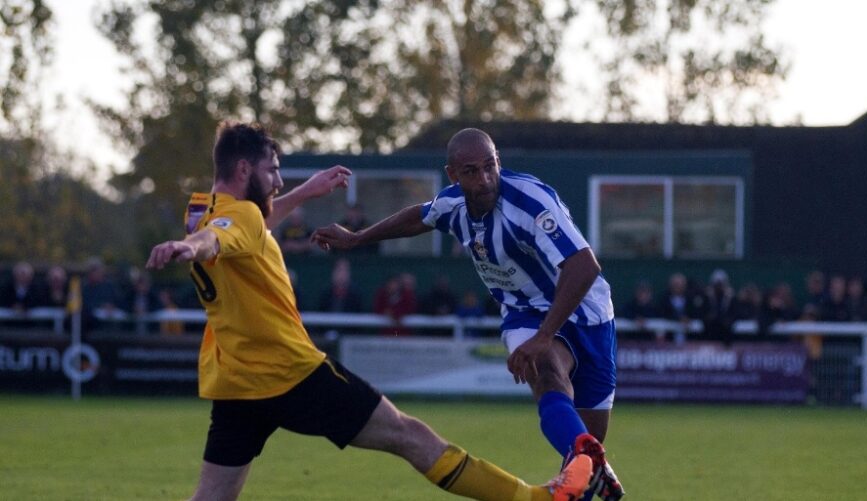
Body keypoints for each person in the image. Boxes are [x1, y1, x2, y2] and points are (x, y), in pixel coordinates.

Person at [144, 122, 593, 501]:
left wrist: (303, 194)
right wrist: (189, 248)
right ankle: (539, 499)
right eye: (273, 171)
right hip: (290, 373)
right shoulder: (231, 221)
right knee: (409, 436)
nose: (278, 181)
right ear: (245, 170)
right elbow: (223, 236)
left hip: (235, 382)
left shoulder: (203, 209)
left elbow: (236, 228)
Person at [312, 128, 625, 501]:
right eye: (472, 171)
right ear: (453, 175)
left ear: (499, 161)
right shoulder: (453, 206)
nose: (485, 179)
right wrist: (358, 238)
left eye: (490, 166)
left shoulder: (530, 203)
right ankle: (583, 456)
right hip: (523, 311)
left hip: (588, 311)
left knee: (587, 461)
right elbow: (419, 217)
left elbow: (584, 266)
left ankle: (585, 463)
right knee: (547, 375)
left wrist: (544, 335)